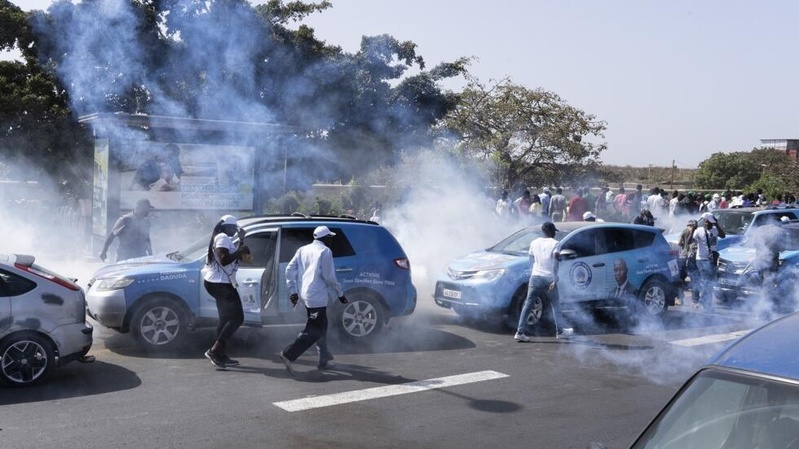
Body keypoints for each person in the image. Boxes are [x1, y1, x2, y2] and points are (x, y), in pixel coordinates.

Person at [280, 226, 348, 376]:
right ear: (325, 238)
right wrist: (340, 293)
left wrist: (293, 291)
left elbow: (289, 270)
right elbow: (329, 277)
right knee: (314, 330)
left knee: (322, 325)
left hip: (305, 293)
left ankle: (324, 359)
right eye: (330, 237)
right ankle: (288, 354)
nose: (331, 240)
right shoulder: (325, 251)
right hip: (317, 296)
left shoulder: (302, 249)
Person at [202, 215, 250, 369]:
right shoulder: (222, 237)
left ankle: (220, 353)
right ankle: (214, 351)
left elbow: (235, 257)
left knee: (225, 319)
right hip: (220, 284)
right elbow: (223, 259)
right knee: (237, 318)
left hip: (219, 282)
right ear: (227, 227)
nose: (235, 231)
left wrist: (241, 241)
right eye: (234, 228)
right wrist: (240, 249)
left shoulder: (222, 237)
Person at [514, 222, 572, 341]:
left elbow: (531, 259)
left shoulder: (534, 242)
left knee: (528, 303)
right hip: (549, 278)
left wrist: (533, 272)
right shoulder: (555, 243)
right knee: (555, 304)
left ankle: (520, 332)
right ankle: (560, 331)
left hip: (535, 276)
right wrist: (555, 278)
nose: (555, 233)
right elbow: (555, 262)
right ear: (551, 231)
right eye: (554, 231)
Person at [692, 213, 725, 312]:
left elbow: (723, 235)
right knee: (707, 280)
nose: (706, 224)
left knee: (710, 282)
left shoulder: (715, 230)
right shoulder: (699, 230)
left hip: (712, 260)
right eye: (705, 222)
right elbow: (692, 241)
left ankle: (707, 306)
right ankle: (703, 300)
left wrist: (716, 224)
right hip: (701, 259)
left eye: (709, 222)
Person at [677, 219, 699, 305]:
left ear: (688, 225)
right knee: (695, 280)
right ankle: (695, 301)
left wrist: (684, 246)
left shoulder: (684, 231)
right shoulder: (697, 232)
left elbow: (679, 243)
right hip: (693, 258)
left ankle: (680, 298)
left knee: (680, 278)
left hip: (684, 257)